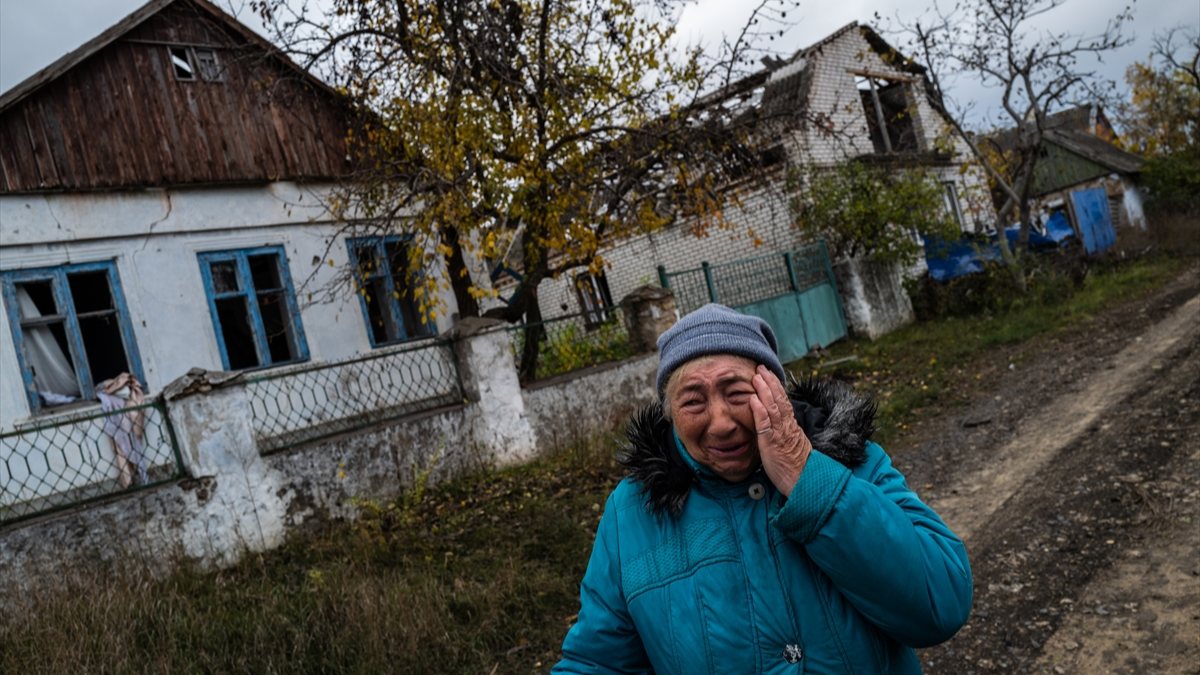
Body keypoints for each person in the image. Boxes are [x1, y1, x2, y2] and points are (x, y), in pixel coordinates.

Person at [554, 303, 972, 674]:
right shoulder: (632, 511)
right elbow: (596, 662)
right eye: (693, 401)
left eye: (737, 393)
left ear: (774, 392)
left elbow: (941, 604)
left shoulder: (851, 461)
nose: (720, 423)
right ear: (670, 415)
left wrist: (806, 477)